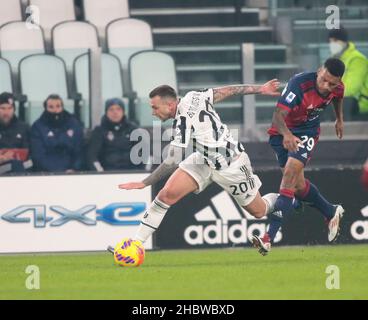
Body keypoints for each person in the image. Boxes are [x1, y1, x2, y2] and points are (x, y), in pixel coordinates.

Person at [118, 80, 283, 246]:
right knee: (165, 195)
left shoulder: (183, 121)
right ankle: (135, 245)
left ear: (170, 104)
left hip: (231, 165)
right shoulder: (194, 96)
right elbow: (230, 90)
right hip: (204, 158)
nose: (153, 112)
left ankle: (287, 199)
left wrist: (144, 182)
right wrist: (260, 89)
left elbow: (171, 161)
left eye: (155, 107)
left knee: (259, 211)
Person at [252, 58, 346, 256]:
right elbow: (277, 117)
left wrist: (339, 119)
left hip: (307, 132)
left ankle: (268, 238)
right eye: (324, 80)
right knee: (298, 186)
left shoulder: (337, 87)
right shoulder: (299, 84)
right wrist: (286, 134)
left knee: (288, 178)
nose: (326, 86)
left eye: (332, 84)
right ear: (319, 71)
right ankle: (330, 211)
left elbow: (338, 97)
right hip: (281, 132)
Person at [30, 94, 84, 173]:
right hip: (47, 174)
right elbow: (38, 155)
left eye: (58, 106)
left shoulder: (73, 124)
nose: (55, 110)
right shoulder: (37, 127)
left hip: (72, 173)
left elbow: (79, 151)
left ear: (62, 107)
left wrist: (74, 168)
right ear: (46, 108)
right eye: (51, 107)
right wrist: (58, 172)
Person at [86, 98, 143, 171]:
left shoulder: (133, 130)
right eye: (111, 109)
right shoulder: (99, 131)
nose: (115, 112)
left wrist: (141, 172)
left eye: (118, 109)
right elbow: (92, 156)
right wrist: (101, 173)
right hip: (108, 174)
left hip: (132, 173)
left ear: (123, 112)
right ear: (106, 112)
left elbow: (146, 153)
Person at [329, 27, 368, 116]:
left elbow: (350, 90)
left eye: (335, 40)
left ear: (344, 41)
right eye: (330, 41)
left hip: (359, 103)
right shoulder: (334, 60)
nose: (332, 44)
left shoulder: (357, 59)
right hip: (344, 103)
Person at [0, 92, 30, 173]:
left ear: (14, 109)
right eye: (3, 108)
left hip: (18, 172)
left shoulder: (23, 128)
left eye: (9, 108)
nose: (6, 112)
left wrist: (11, 155)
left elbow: (28, 152)